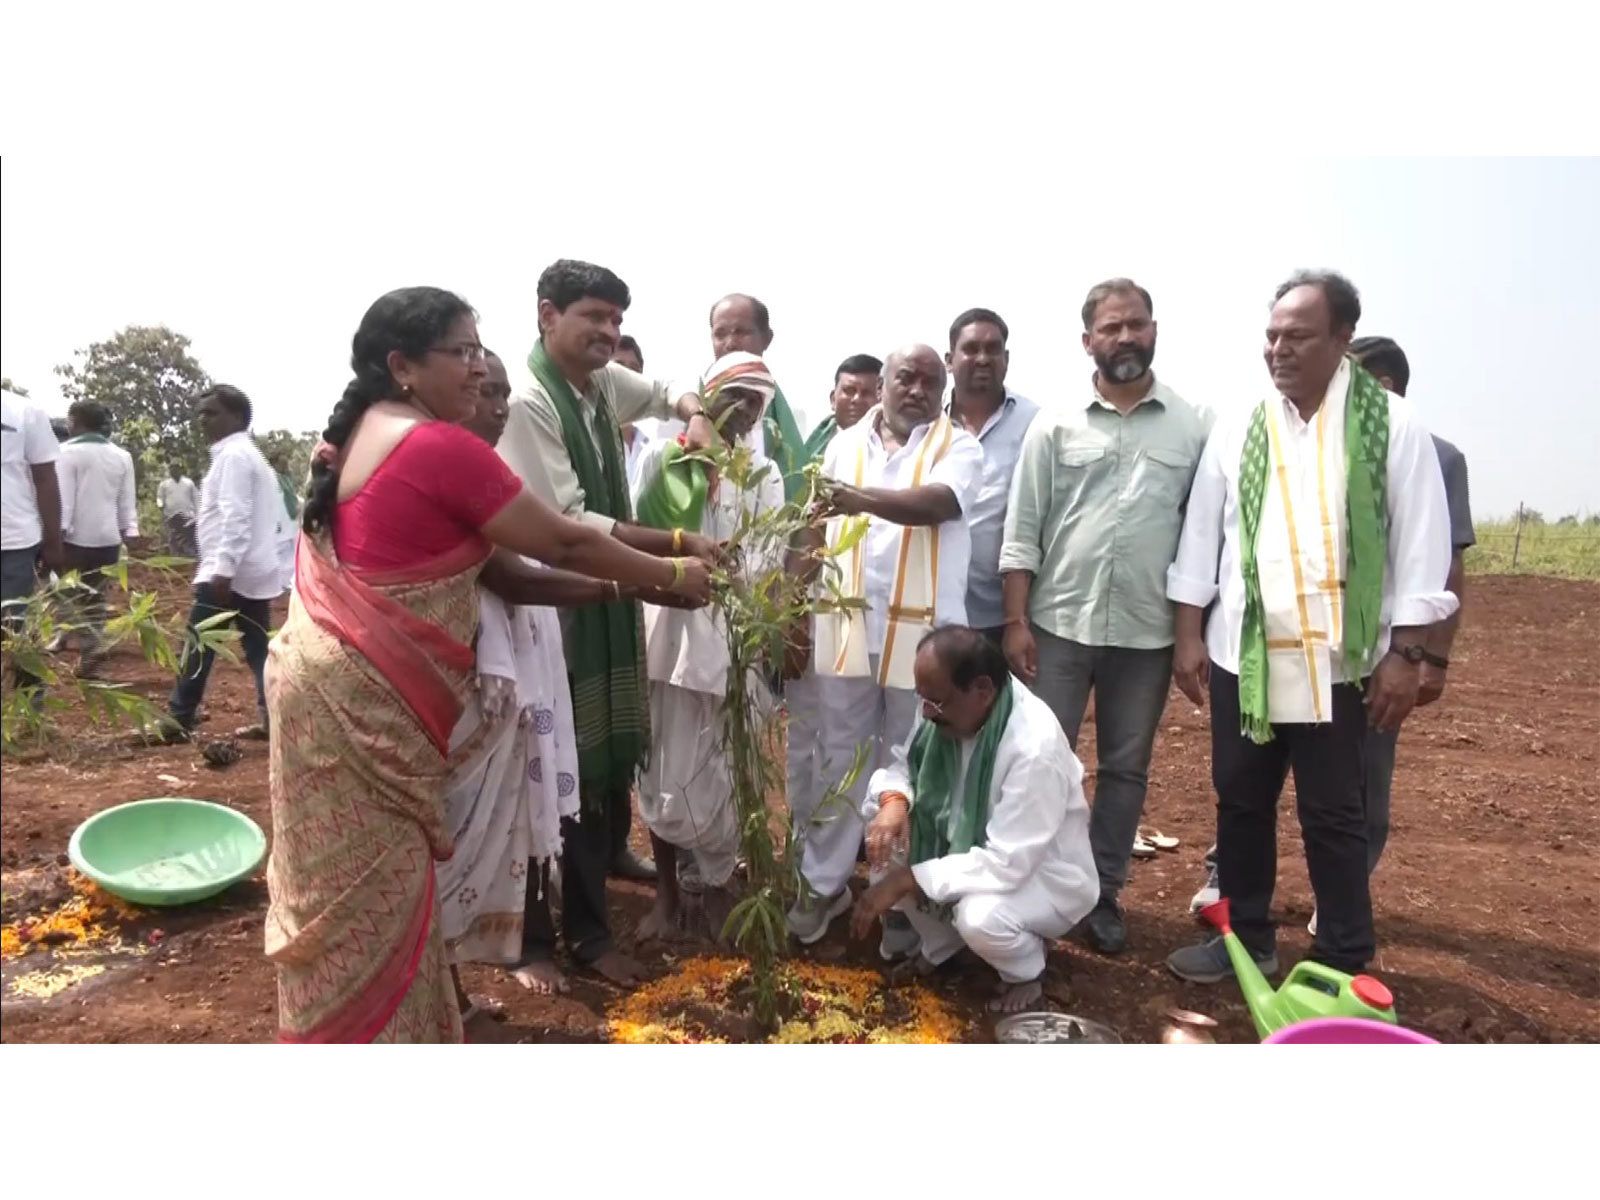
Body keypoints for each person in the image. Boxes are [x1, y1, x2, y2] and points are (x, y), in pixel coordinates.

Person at [264, 287, 710, 1043]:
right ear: (402, 365)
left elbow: (513, 573)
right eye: (463, 354)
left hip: (338, 694)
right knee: (378, 885)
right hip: (368, 707)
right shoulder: (436, 446)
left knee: (361, 884)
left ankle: (410, 1019)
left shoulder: (374, 433)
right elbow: (563, 538)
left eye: (481, 351)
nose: (478, 370)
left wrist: (649, 568)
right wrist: (669, 578)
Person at [1164, 271, 1457, 985]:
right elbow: (1205, 532)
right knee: (1240, 802)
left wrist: (1407, 655)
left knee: (1334, 815)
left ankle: (1342, 958)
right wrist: (1189, 634)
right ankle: (1247, 942)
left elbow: (1423, 546)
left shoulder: (1391, 425)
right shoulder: (1242, 422)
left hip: (1343, 662)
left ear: (1342, 339)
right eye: (1271, 335)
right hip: (1245, 654)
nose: (1278, 350)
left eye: (1297, 336)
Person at [496, 258, 724, 986]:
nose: (607, 332)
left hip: (601, 600)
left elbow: (663, 389)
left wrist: (694, 417)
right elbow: (571, 522)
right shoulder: (531, 402)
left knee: (595, 775)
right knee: (539, 774)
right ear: (546, 315)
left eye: (616, 321)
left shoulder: (595, 388)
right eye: (593, 317)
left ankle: (590, 932)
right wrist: (677, 551)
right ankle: (531, 941)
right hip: (546, 607)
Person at [998, 279, 1213, 955]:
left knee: (1126, 769)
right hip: (1059, 624)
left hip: (1147, 636)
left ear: (1155, 330)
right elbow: (1023, 526)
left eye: (1137, 325)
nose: (1126, 338)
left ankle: (1102, 892)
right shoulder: (1055, 422)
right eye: (1112, 328)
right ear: (1088, 340)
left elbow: (1202, 537)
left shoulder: (1192, 424)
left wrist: (1188, 636)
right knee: (1042, 761)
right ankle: (1032, 883)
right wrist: (1014, 620)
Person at [791, 343, 983, 949]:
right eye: (907, 377)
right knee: (839, 756)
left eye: (931, 380)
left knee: (912, 763)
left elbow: (940, 504)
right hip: (846, 630)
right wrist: (792, 606)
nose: (918, 390)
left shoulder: (960, 446)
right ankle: (821, 887)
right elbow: (813, 525)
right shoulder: (845, 444)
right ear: (883, 385)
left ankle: (896, 903)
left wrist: (861, 499)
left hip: (923, 644)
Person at [849, 627, 1099, 1012]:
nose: (926, 712)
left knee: (980, 919)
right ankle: (941, 947)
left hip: (1042, 877)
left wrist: (908, 879)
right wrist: (895, 799)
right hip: (972, 849)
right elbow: (905, 764)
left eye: (936, 703)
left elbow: (1007, 863)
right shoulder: (946, 705)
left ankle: (1027, 969)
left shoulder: (1033, 748)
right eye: (923, 700)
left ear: (982, 690)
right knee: (885, 822)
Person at [634, 351, 787, 939]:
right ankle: (669, 894)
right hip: (667, 630)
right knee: (661, 768)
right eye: (735, 395)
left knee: (725, 769)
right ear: (707, 395)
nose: (744, 409)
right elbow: (635, 533)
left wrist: (735, 584)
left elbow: (767, 554)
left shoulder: (763, 475)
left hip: (730, 635)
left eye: (756, 400)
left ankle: (722, 887)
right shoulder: (661, 457)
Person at [784, 353, 883, 890]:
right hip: (819, 621)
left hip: (883, 627)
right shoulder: (819, 456)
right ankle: (811, 859)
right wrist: (791, 615)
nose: (860, 402)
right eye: (850, 391)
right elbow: (803, 537)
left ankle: (868, 854)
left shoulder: (921, 454)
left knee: (874, 745)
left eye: (871, 392)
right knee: (815, 742)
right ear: (833, 397)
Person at [145, 385, 283, 742]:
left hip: (231, 573)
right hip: (248, 570)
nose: (202, 420)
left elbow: (235, 516)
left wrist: (223, 568)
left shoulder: (235, 457)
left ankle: (179, 719)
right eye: (201, 413)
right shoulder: (242, 455)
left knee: (199, 642)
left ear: (236, 417)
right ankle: (275, 720)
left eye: (212, 413)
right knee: (257, 649)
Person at [945, 308, 1038, 643]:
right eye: (971, 349)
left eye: (992, 349)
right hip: (933, 609)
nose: (982, 358)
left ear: (1006, 358)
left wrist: (1017, 620)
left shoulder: (1036, 425)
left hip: (1006, 615)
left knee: (1000, 696)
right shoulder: (926, 424)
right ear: (949, 359)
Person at [56, 401, 139, 675]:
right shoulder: (121, 456)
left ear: (75, 421)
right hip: (107, 539)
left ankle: (62, 635)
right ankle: (89, 653)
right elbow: (127, 502)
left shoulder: (66, 452)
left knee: (64, 590)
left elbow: (64, 501)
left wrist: (56, 535)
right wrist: (131, 531)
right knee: (95, 596)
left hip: (73, 538)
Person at [709, 293, 808, 500]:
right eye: (720, 334)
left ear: (767, 338)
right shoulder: (689, 404)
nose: (730, 343)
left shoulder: (780, 415)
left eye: (741, 332)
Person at [1, 385, 63, 701]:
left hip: (15, 542)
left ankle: (31, 713)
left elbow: (45, 477)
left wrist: (53, 539)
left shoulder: (23, 411)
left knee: (19, 632)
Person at [613, 335, 654, 494]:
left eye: (634, 369)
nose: (627, 376)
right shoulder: (590, 441)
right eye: (619, 367)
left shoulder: (651, 446)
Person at [265, 449, 300, 594]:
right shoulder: (269, 478)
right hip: (279, 522)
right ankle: (282, 585)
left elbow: (292, 498)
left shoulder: (286, 477)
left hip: (291, 521)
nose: (286, 465)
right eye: (283, 463)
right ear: (274, 464)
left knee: (293, 553)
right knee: (282, 554)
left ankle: (292, 583)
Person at [157, 463, 199, 558]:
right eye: (171, 469)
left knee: (189, 533)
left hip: (187, 513)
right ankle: (175, 553)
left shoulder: (188, 483)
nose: (173, 471)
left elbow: (195, 498)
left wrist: (198, 512)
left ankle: (191, 553)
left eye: (176, 469)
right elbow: (160, 497)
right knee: (174, 533)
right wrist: (160, 505)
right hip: (171, 514)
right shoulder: (164, 484)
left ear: (180, 470)